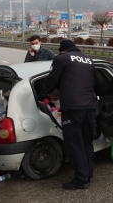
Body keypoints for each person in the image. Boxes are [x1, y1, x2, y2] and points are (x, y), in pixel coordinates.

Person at [44, 39, 97, 190]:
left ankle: (81, 179)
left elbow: (51, 80)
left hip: (73, 109)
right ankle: (88, 174)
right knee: (87, 142)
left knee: (74, 144)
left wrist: (45, 92)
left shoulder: (61, 59)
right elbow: (96, 83)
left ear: (63, 50)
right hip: (90, 108)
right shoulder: (88, 60)